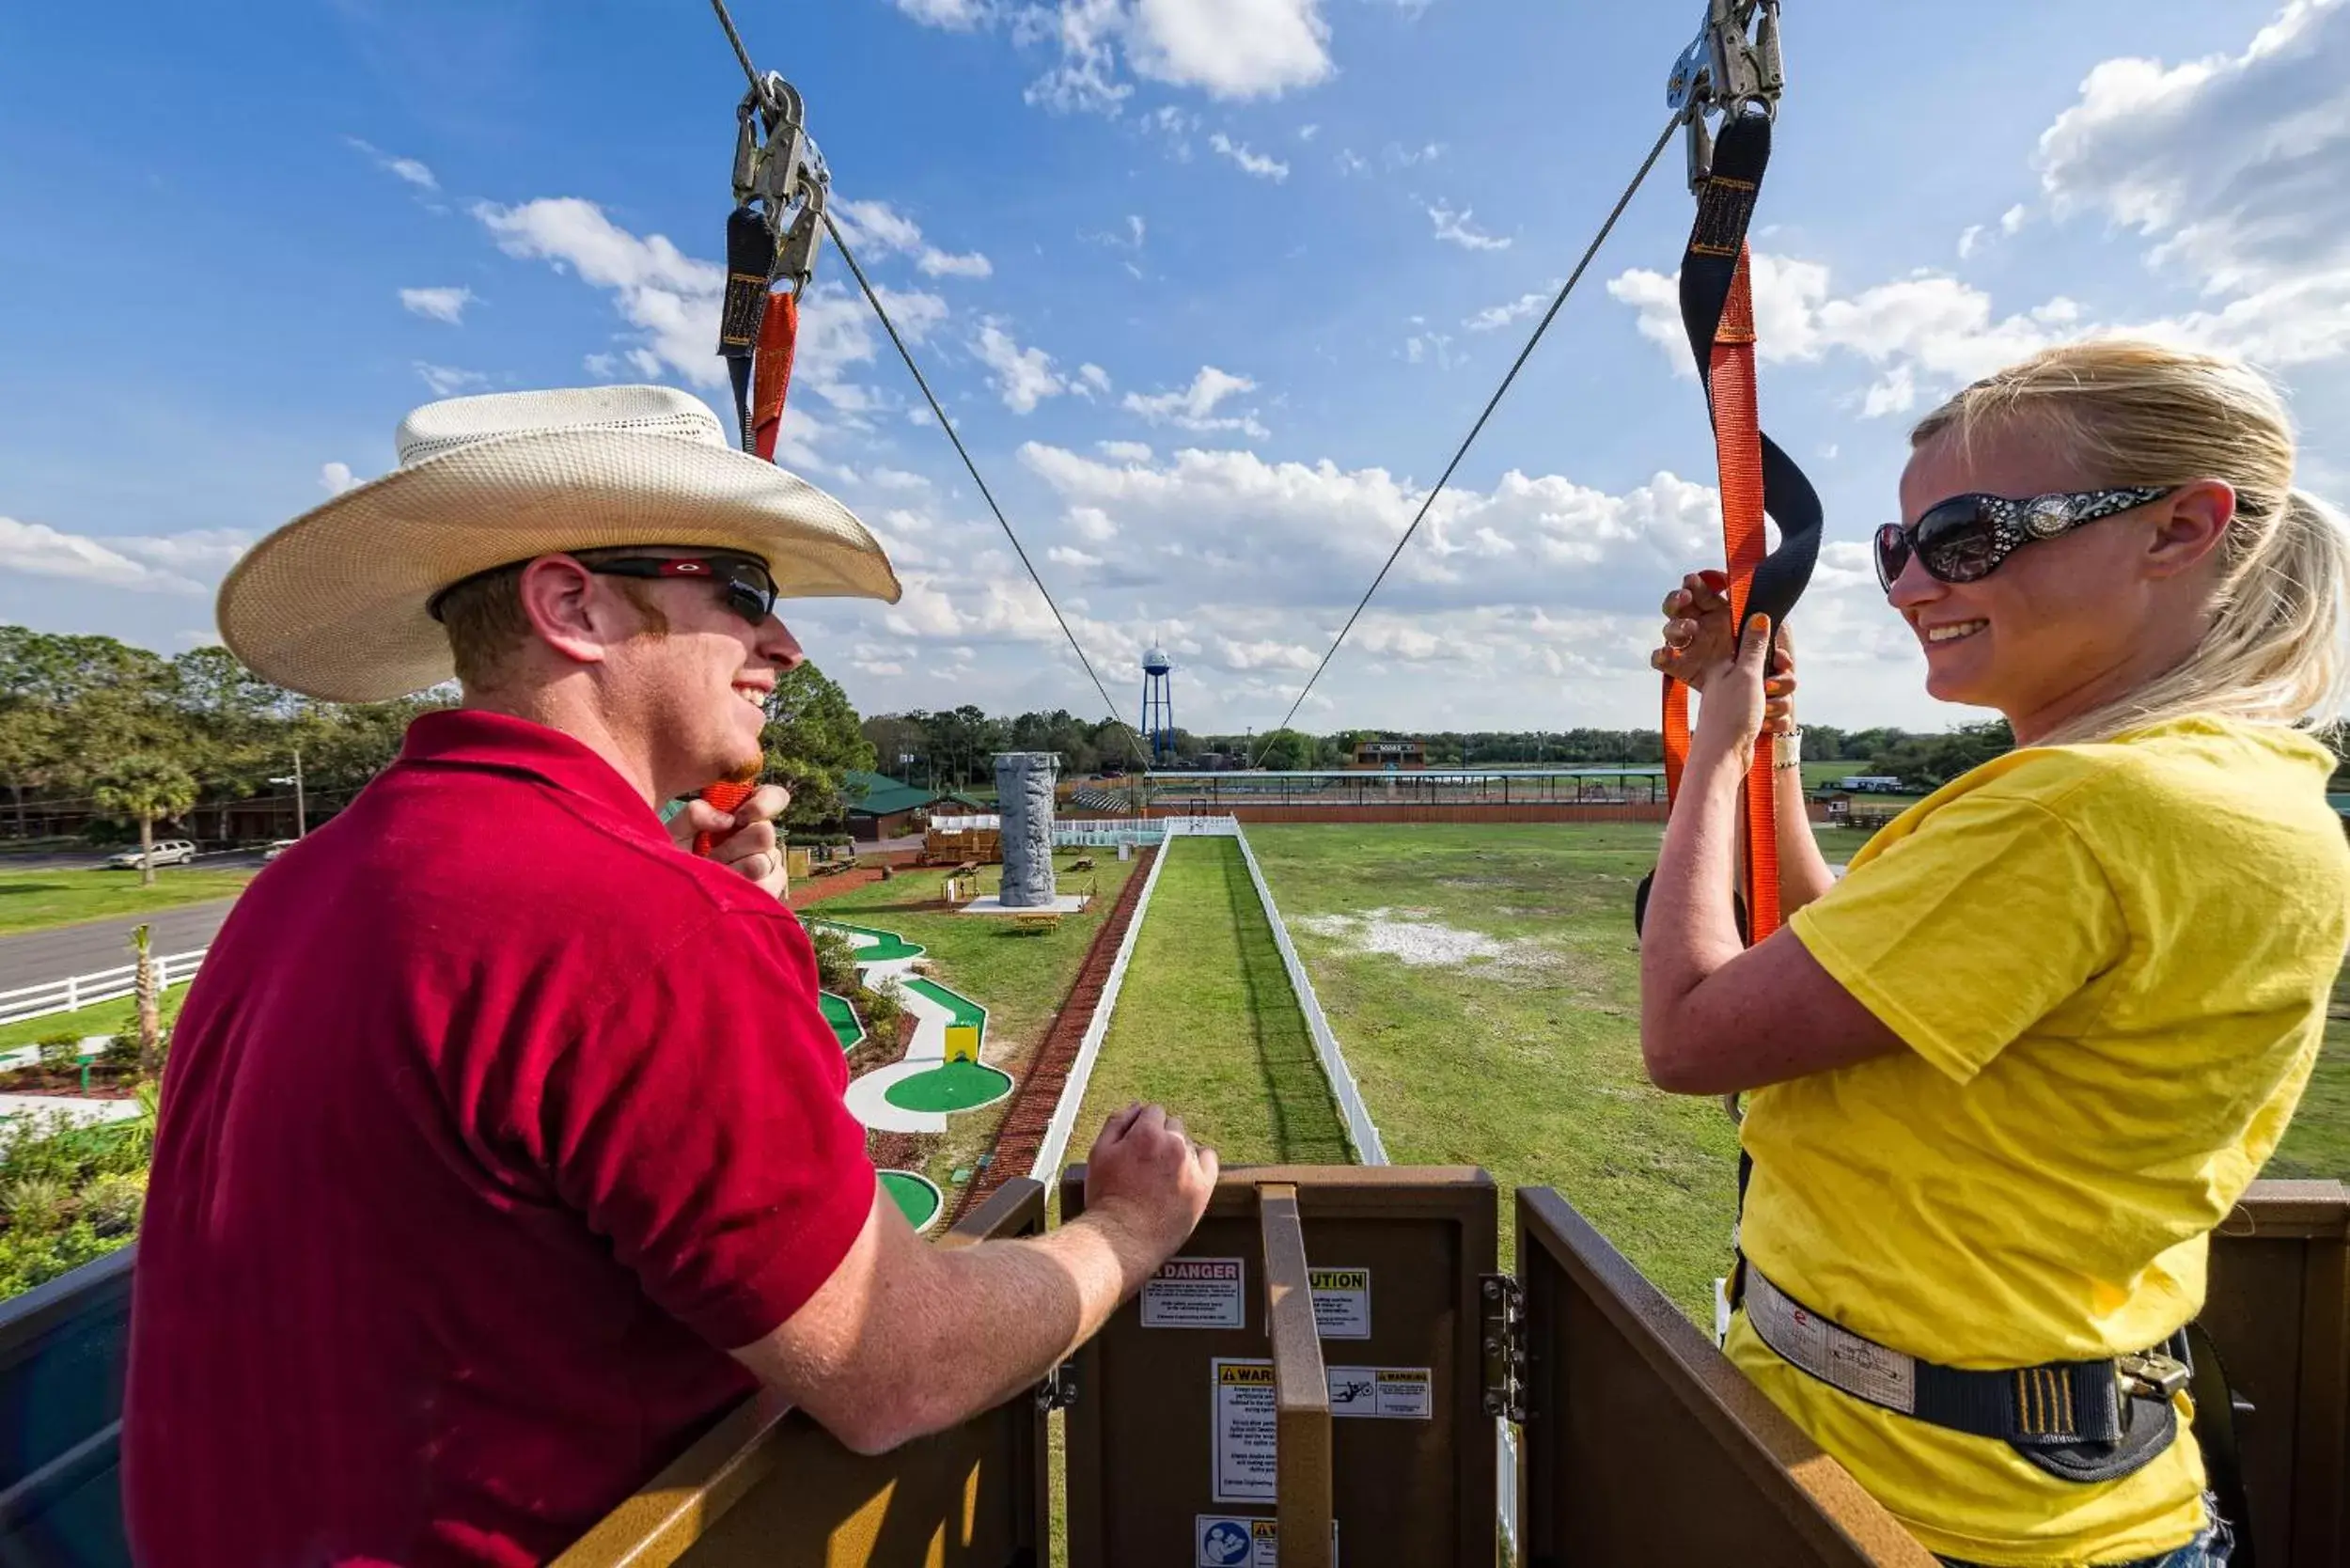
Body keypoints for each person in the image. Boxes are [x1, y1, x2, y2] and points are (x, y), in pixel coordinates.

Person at [122, 385, 1219, 1567]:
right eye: (743, 592)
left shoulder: (300, 883)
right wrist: (1126, 1229)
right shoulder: (643, 929)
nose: (784, 643)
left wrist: (712, 919)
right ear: (571, 606)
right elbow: (895, 1367)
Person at [1640, 340, 2350, 1568]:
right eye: (1893, 548)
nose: (1914, 584)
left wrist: (1720, 740)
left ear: (2180, 529)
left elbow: (1692, 1031)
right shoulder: (2231, 789)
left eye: (1968, 535)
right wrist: (1777, 732)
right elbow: (1847, 960)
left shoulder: (2073, 816)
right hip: (2040, 1484)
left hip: (1930, 1506)